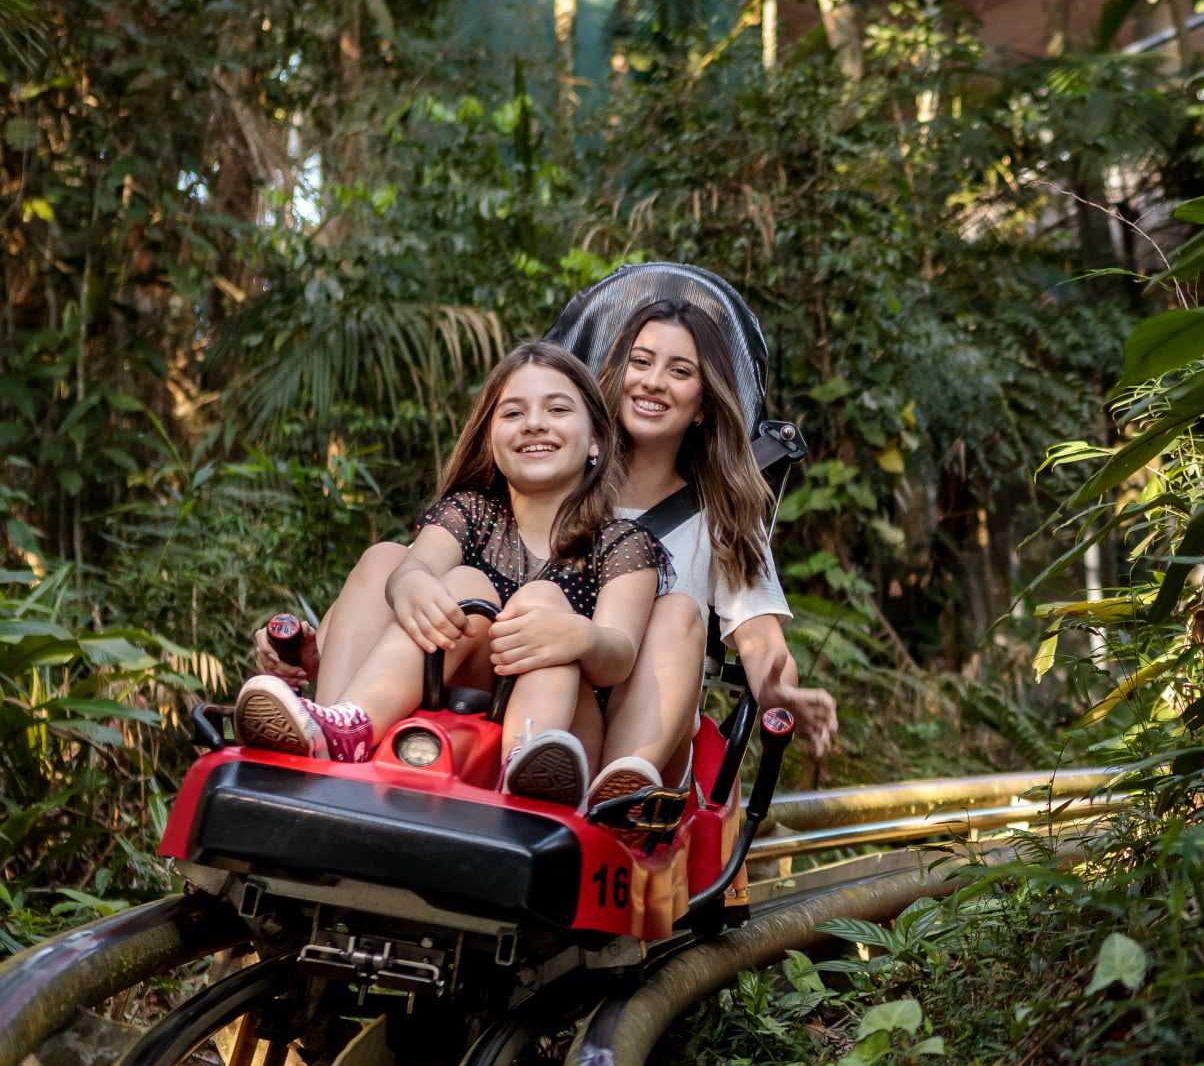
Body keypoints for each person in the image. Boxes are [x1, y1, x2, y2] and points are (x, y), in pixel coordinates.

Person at [233, 340, 670, 807]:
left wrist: (577, 636)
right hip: (455, 703)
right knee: (441, 577)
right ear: (489, 439)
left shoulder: (622, 543)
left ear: (597, 440)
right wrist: (413, 581)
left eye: (557, 409)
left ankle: (527, 765)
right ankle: (344, 727)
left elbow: (619, 653)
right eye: (512, 413)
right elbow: (414, 567)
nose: (535, 423)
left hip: (564, 729)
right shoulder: (471, 513)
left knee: (543, 602)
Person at [581, 294, 836, 803]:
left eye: (679, 371)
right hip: (558, 700)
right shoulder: (563, 483)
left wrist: (776, 692)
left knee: (676, 614)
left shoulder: (721, 516)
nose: (653, 382)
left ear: (702, 405)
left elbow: (760, 641)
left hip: (654, 730)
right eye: (641, 361)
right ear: (617, 375)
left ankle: (619, 795)